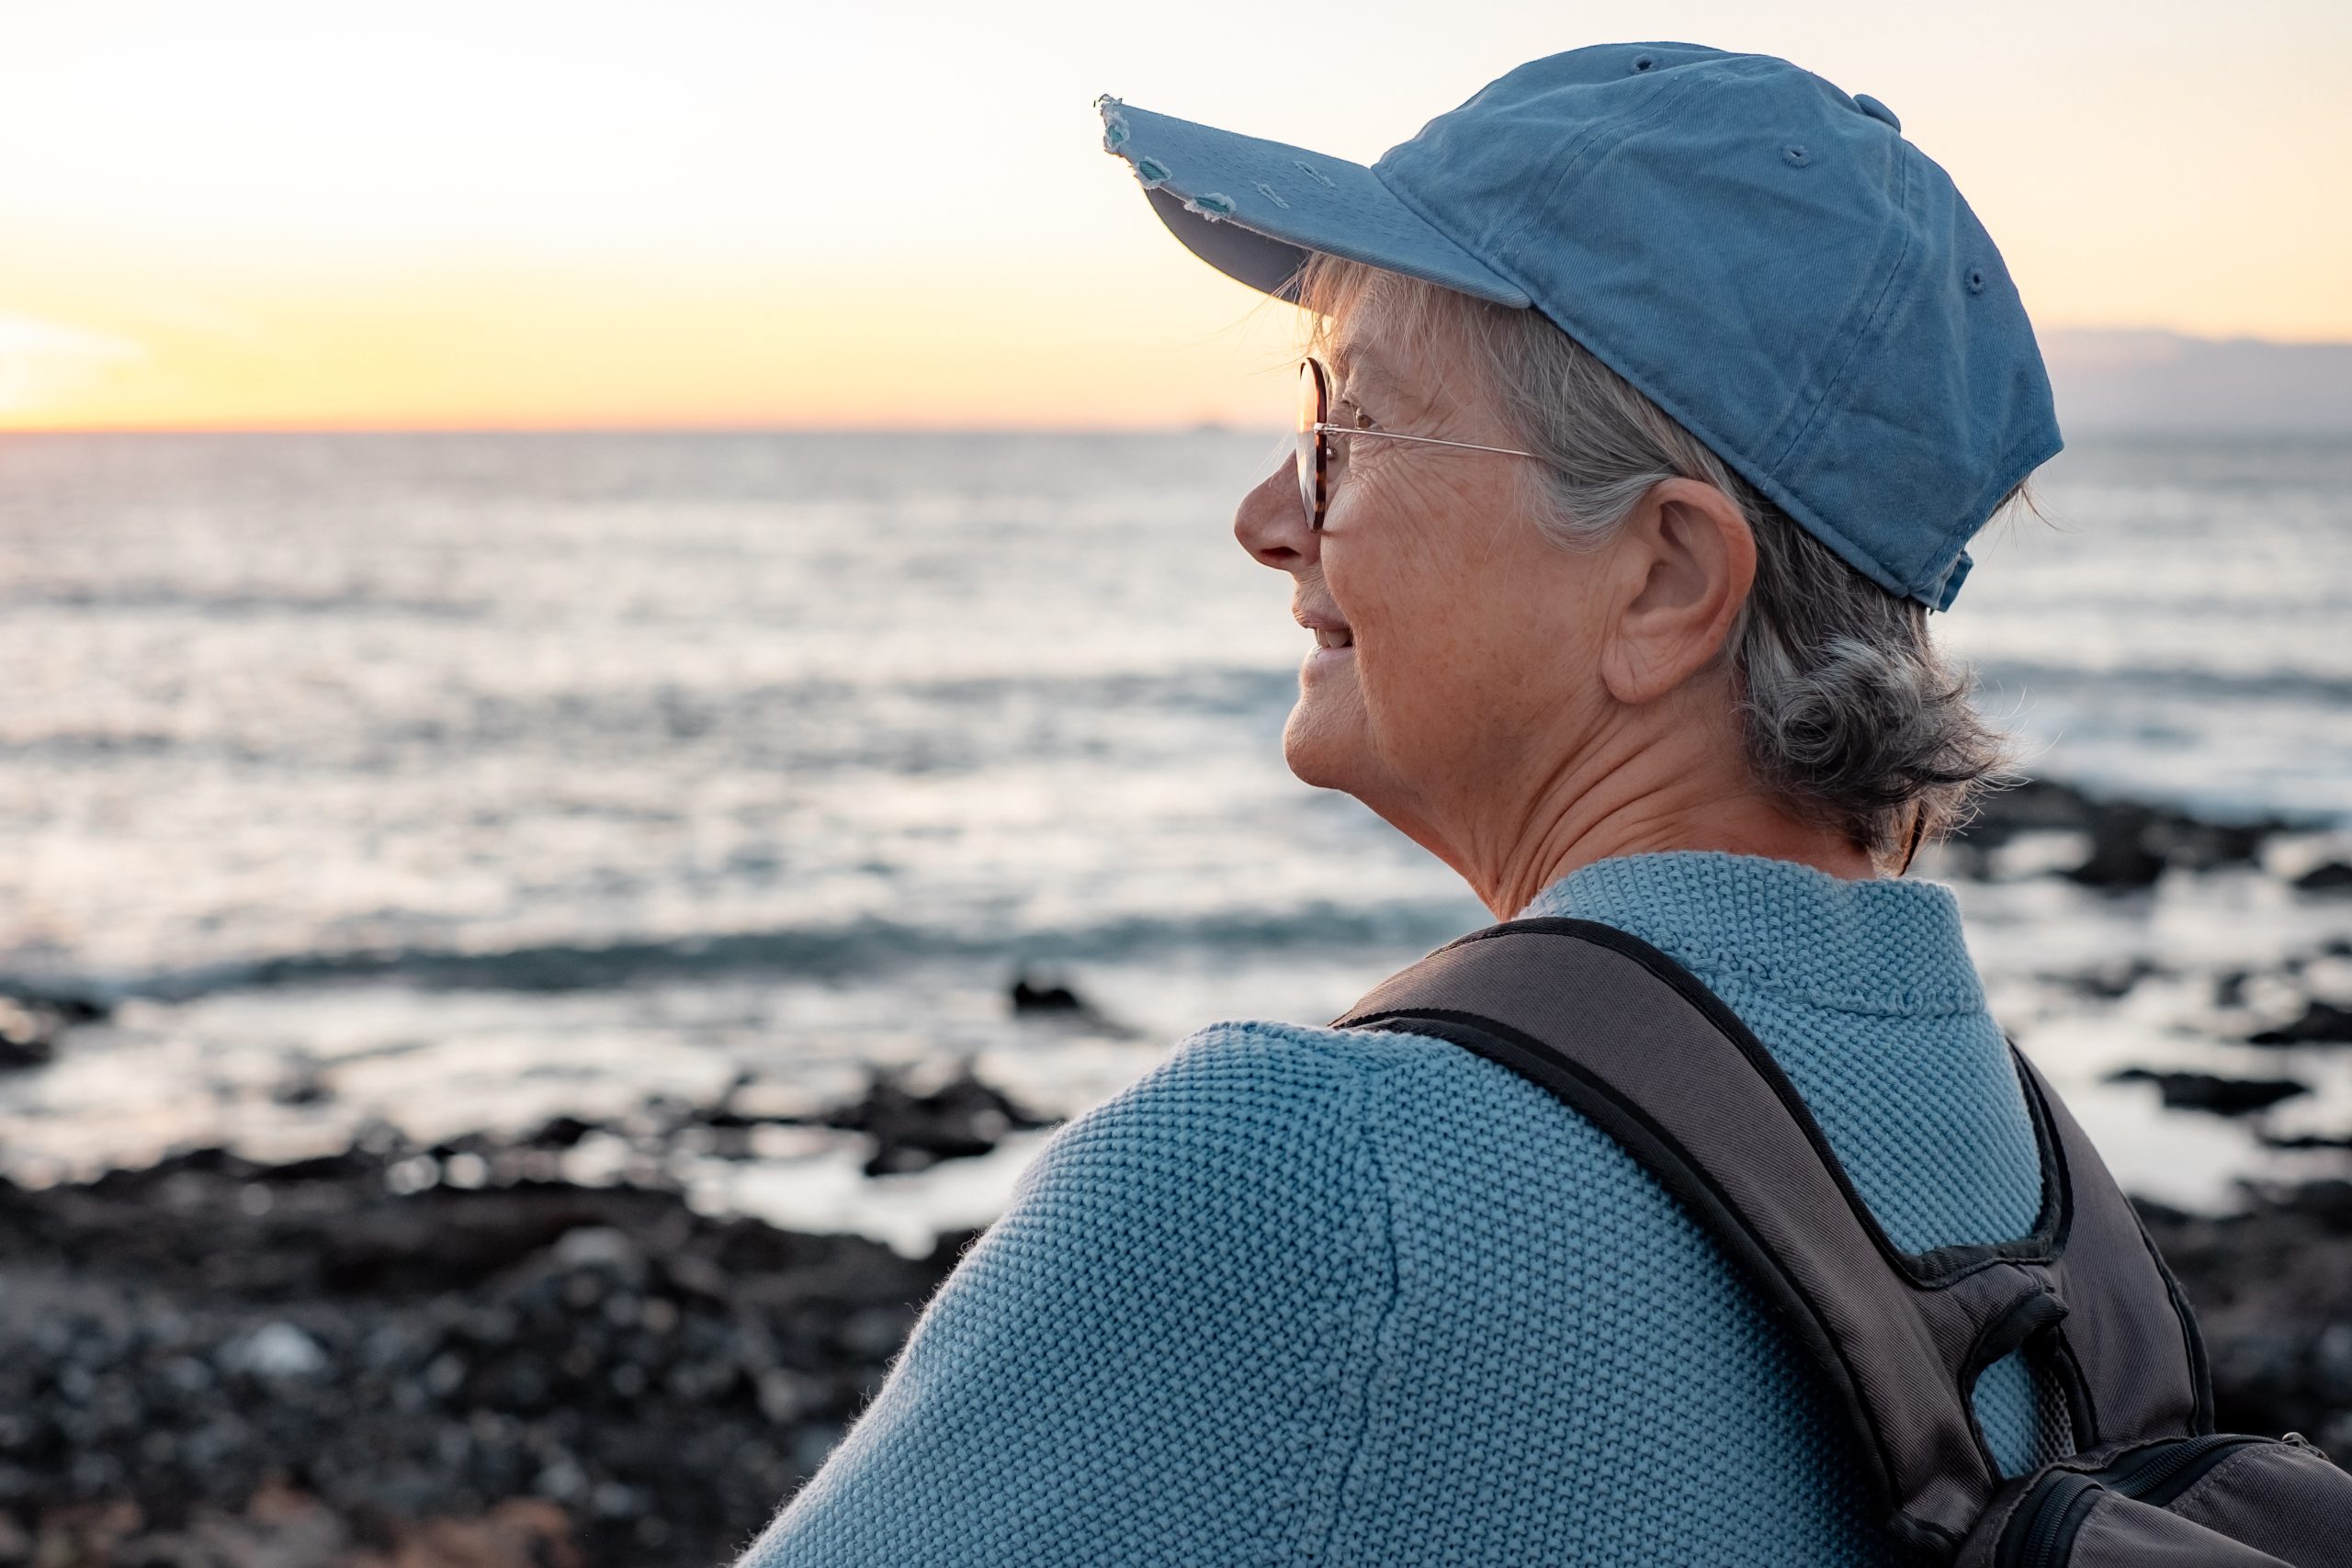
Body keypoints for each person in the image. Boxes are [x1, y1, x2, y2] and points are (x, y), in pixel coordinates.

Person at [744, 42, 2072, 1564]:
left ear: (1664, 579)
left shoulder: (1308, 1187)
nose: (1265, 519)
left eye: (1352, 427)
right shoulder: (2055, 1210)